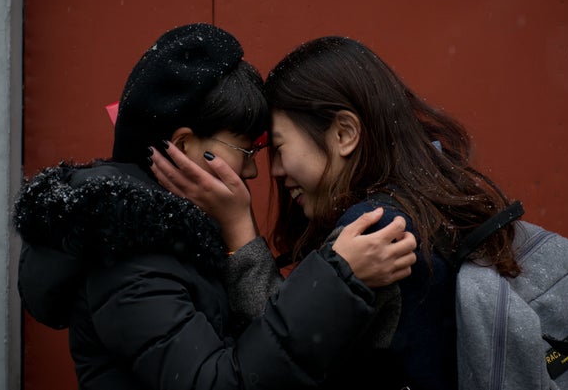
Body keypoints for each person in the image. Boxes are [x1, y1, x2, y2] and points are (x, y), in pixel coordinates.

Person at [14, 23, 418, 390]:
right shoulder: (129, 259)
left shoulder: (166, 239)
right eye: (246, 149)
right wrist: (337, 277)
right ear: (186, 146)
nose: (254, 172)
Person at [150, 35, 521, 390]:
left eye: (278, 148)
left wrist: (238, 229)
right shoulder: (417, 204)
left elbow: (282, 349)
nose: (273, 171)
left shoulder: (374, 228)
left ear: (344, 133)